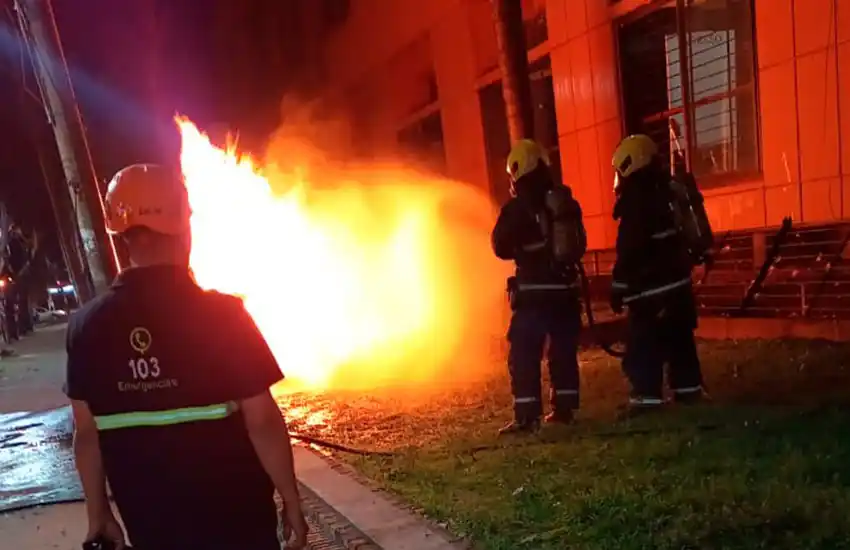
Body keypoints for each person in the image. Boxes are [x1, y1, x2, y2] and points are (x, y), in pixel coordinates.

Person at [64, 163, 309, 550]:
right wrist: (291, 499)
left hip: (151, 524)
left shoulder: (84, 327)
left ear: (120, 236)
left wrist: (99, 514)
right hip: (240, 522)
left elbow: (88, 434)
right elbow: (261, 420)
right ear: (184, 229)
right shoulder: (225, 316)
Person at [491, 139, 587, 434]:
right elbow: (578, 244)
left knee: (524, 352)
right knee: (562, 351)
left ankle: (527, 416)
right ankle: (565, 409)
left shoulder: (517, 208)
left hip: (533, 294)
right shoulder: (564, 202)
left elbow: (500, 246)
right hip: (564, 292)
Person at [609, 134, 707, 416]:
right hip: (679, 288)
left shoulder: (635, 204)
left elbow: (630, 250)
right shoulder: (669, 193)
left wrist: (618, 286)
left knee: (644, 344)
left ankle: (646, 398)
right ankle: (688, 391)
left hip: (650, 293)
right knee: (680, 342)